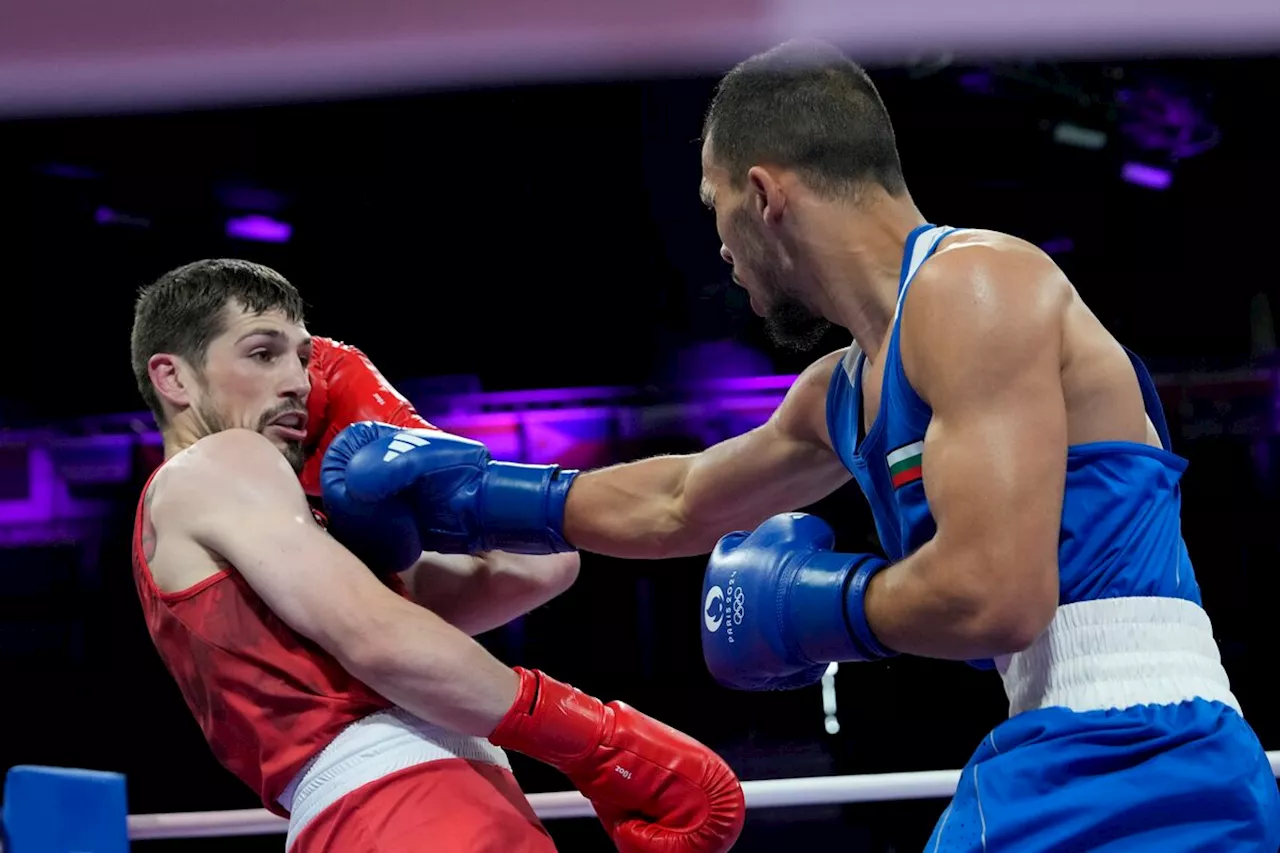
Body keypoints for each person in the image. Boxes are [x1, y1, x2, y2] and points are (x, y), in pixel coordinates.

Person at [319, 40, 1280, 851]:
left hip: (1145, 746)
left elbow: (997, 593)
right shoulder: (848, 386)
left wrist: (820, 610)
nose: (722, 251)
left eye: (713, 210)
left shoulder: (975, 286)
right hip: (1065, 748)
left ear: (764, 192)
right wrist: (476, 492)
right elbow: (681, 501)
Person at [127, 258, 746, 853]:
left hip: (414, 803)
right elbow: (380, 637)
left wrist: (400, 429)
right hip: (401, 804)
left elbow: (540, 566)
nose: (298, 382)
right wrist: (600, 741)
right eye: (263, 354)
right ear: (173, 377)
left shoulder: (294, 538)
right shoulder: (218, 462)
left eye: (304, 358)